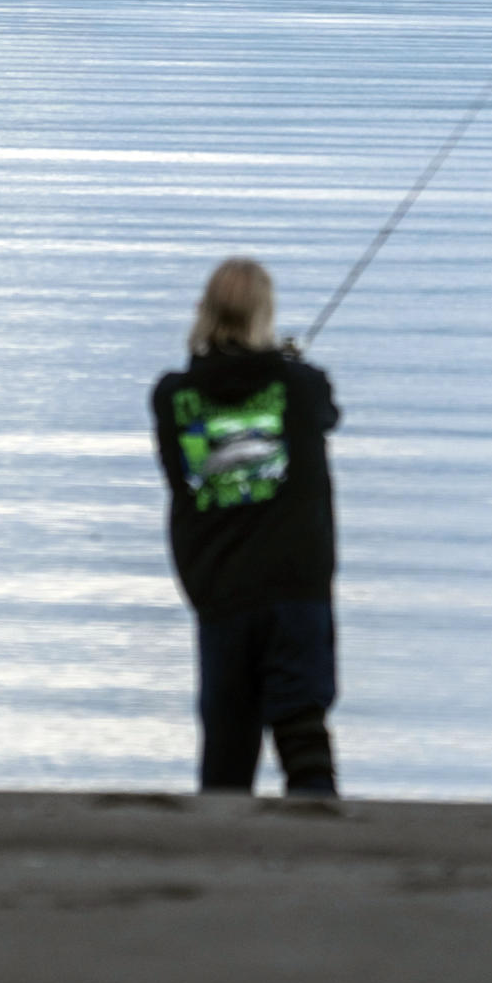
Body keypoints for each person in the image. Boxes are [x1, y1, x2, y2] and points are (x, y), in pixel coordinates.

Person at [150, 257, 340, 796]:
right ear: (265, 314)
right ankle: (318, 840)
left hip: (220, 585)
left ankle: (217, 857)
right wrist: (282, 365)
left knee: (226, 749)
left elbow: (179, 464)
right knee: (301, 725)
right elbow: (325, 412)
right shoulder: (300, 386)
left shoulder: (173, 398)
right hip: (294, 585)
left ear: (205, 312)